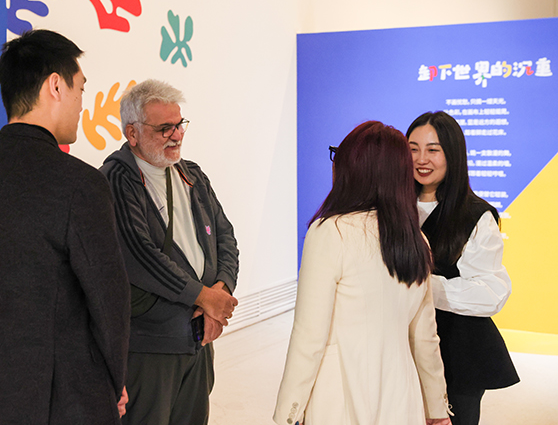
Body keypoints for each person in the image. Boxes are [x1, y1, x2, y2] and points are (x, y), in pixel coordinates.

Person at [0, 29, 130, 425]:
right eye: (80, 89)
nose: (82, 103)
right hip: (66, 402)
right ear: (55, 86)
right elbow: (109, 304)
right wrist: (113, 384)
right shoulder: (79, 183)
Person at [274, 121, 451, 425]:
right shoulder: (416, 239)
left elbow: (309, 336)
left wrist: (288, 414)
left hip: (340, 396)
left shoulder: (331, 232)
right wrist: (437, 408)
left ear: (353, 168)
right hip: (401, 394)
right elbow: (424, 338)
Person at [99, 79, 239, 425]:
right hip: (151, 348)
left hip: (199, 339)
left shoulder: (192, 175)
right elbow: (140, 256)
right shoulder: (115, 180)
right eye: (165, 128)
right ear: (132, 133)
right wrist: (203, 297)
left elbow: (226, 238)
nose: (177, 135)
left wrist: (220, 292)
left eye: (179, 125)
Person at [406, 111, 519, 425]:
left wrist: (421, 285)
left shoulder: (476, 214)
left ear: (453, 154)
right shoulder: (392, 208)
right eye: (413, 148)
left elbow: (491, 293)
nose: (421, 159)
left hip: (458, 352)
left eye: (433, 149)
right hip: (401, 348)